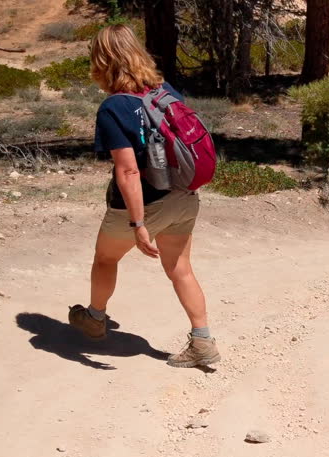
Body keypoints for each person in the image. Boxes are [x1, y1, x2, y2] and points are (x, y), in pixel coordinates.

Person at [68, 24, 219, 368]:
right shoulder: (164, 91)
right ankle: (203, 341)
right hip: (184, 195)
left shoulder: (113, 107)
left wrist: (138, 224)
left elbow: (128, 171)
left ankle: (94, 319)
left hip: (145, 203)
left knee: (106, 258)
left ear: (102, 61)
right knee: (180, 267)